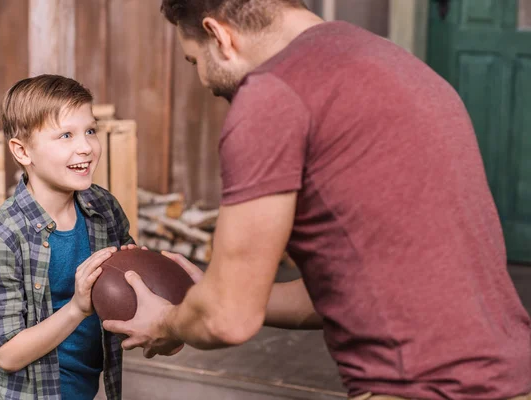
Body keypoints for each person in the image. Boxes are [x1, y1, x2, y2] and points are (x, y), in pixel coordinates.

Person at [102, 1, 531, 399]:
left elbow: (226, 320)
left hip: (419, 388)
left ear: (219, 35)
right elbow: (339, 291)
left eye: (194, 61)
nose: (203, 81)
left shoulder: (273, 95)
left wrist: (166, 322)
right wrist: (210, 291)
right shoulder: (402, 67)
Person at [0, 74, 135, 400]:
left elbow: (124, 284)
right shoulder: (0, 237)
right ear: (22, 151)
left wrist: (138, 275)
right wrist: (77, 307)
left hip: (87, 389)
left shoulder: (103, 206)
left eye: (90, 131)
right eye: (65, 135)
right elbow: (7, 354)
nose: (85, 146)